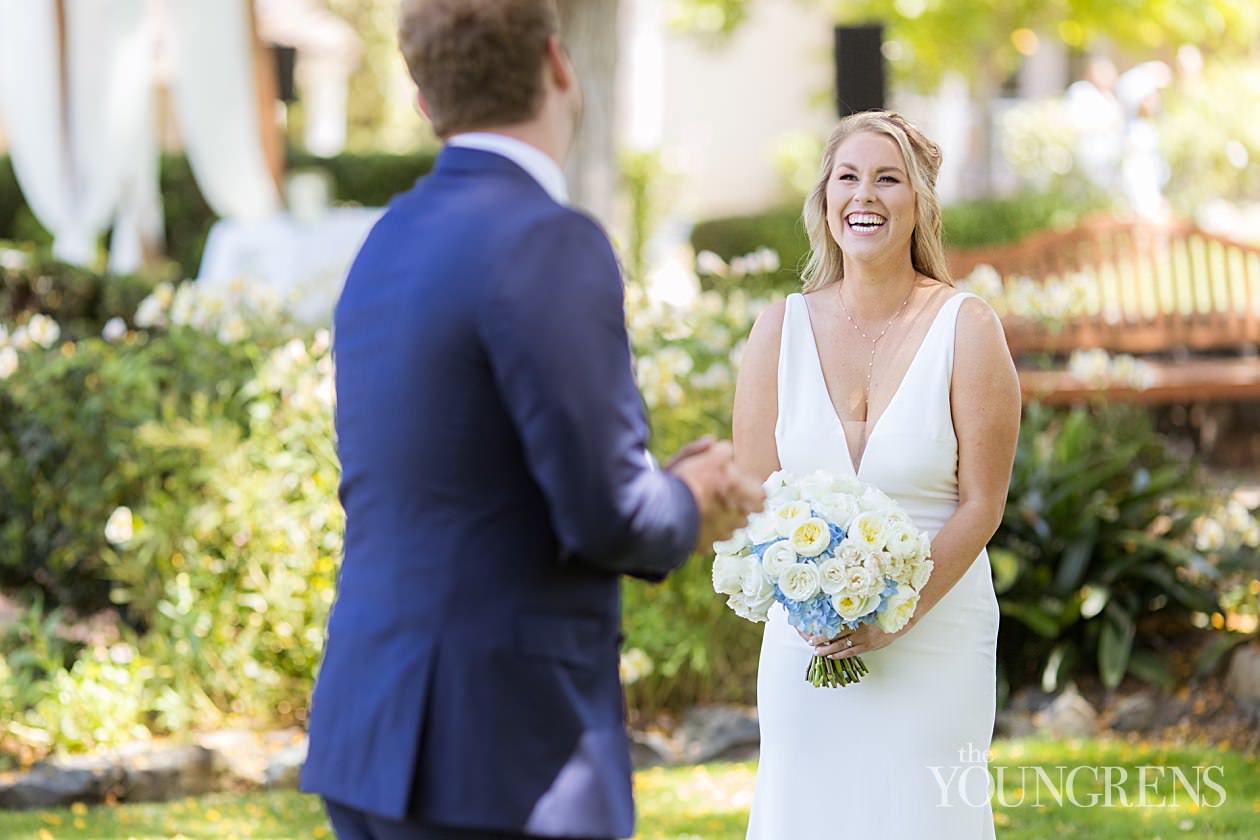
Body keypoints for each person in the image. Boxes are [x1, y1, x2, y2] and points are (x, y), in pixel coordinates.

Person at [299, 2, 765, 838]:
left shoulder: (387, 239)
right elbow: (609, 512)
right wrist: (693, 498)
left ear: (423, 101)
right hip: (501, 747)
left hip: (369, 727)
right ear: (558, 62)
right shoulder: (550, 240)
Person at [732, 111, 1021, 837]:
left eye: (888, 179)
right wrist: (813, 604)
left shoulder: (968, 326)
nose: (866, 196)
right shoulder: (780, 329)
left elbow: (983, 504)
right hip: (807, 637)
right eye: (848, 178)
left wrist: (901, 611)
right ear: (825, 202)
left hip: (937, 629)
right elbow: (754, 498)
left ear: (918, 201)